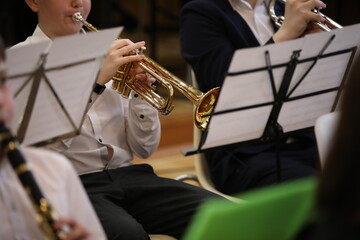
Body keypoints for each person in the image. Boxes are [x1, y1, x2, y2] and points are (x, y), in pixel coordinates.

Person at [14, 0, 222, 239]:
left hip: (131, 177)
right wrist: (94, 84)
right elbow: (40, 149)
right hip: (71, 187)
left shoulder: (111, 52)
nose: (77, 3)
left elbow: (144, 149)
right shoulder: (20, 62)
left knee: (219, 215)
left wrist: (139, 96)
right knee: (127, 234)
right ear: (33, 2)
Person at [180, 0, 328, 195]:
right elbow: (227, 86)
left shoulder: (283, 7)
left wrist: (319, 47)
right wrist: (285, 35)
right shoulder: (200, 13)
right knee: (320, 191)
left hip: (305, 140)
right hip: (245, 153)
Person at [0, 37, 106, 240]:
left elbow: (145, 147)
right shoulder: (27, 56)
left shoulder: (54, 169)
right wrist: (95, 86)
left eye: (3, 81)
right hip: (91, 182)